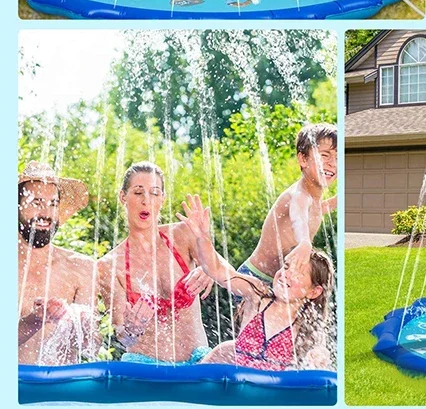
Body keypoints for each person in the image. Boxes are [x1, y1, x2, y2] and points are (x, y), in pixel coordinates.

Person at [179, 193, 334, 370]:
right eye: (286, 266)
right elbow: (218, 270)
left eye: (298, 272)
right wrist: (203, 238)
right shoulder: (257, 295)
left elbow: (316, 368)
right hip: (229, 376)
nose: (286, 274)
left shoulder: (308, 328)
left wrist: (318, 360)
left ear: (314, 291)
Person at [97, 162, 214, 365]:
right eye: (138, 192)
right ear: (123, 197)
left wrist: (210, 270)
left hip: (198, 361)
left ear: (162, 199)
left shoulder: (183, 235)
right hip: (144, 364)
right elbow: (122, 335)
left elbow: (222, 271)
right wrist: (132, 329)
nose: (146, 201)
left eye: (154, 193)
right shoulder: (108, 265)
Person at [237, 123, 337, 298]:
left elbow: (316, 211)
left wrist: (337, 201)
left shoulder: (313, 198)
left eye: (338, 158)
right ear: (303, 159)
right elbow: (299, 218)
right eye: (324, 155)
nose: (332, 163)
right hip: (255, 278)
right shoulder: (299, 195)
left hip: (282, 282)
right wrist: (304, 242)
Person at [17, 162, 96, 365]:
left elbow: (92, 345)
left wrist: (81, 326)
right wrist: (34, 321)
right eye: (36, 202)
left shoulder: (81, 268)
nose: (46, 213)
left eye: (53, 204)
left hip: (61, 391)